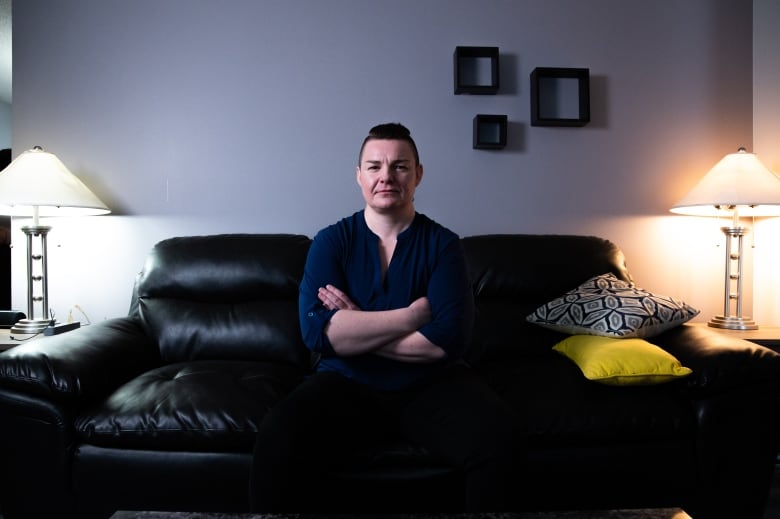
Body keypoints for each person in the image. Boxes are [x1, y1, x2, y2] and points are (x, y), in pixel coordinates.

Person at [250, 122, 520, 512]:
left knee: (500, 437)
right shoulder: (332, 241)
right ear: (359, 175)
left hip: (432, 386)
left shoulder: (443, 245)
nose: (386, 177)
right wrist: (413, 315)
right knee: (278, 434)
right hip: (346, 382)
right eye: (374, 166)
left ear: (418, 174)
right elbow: (317, 334)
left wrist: (356, 321)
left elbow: (448, 341)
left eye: (400, 166)